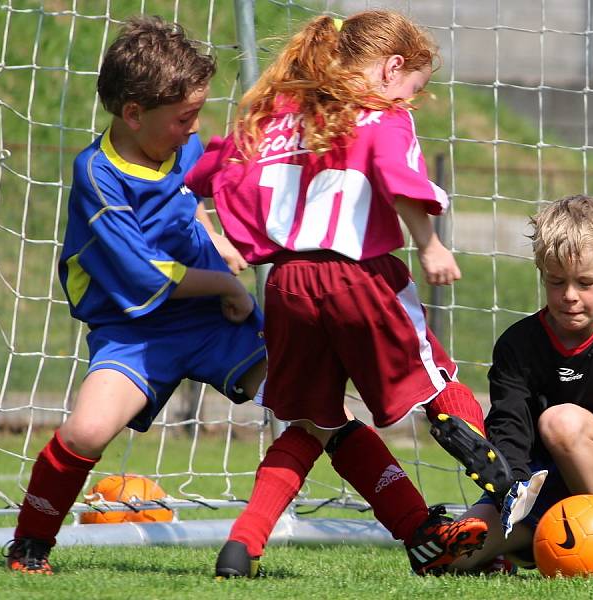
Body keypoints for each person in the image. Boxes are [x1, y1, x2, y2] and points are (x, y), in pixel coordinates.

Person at [186, 11, 514, 578]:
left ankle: (241, 545)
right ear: (391, 69)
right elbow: (395, 175)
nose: (411, 102)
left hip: (288, 285)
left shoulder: (278, 116)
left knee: (312, 423)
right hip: (359, 276)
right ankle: (499, 479)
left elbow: (204, 173)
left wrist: (219, 237)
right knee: (437, 381)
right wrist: (431, 245)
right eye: (415, 89)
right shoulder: (382, 116)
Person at [3, 15, 264, 575]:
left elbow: (188, 198)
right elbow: (145, 276)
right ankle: (29, 546)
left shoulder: (179, 146)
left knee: (310, 404)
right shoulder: (98, 176)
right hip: (137, 329)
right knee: (86, 431)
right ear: (133, 114)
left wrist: (214, 237)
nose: (194, 130)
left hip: (211, 319)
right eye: (185, 118)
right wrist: (225, 281)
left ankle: (418, 527)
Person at [446, 195, 593, 585]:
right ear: (542, 273)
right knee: (448, 554)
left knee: (563, 422)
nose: (569, 295)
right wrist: (513, 485)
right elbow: (509, 423)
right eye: (556, 282)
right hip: (536, 492)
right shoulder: (517, 345)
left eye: (585, 282)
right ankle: (523, 546)